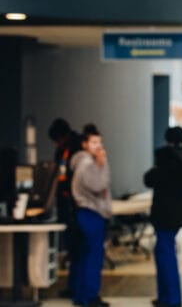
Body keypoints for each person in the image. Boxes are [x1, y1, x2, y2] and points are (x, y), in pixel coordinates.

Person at [144, 126, 182, 307]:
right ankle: (166, 297)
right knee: (164, 251)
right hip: (178, 212)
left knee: (165, 254)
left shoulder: (166, 158)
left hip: (163, 213)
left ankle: (171, 299)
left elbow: (149, 179)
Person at [70, 123, 111, 307]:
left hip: (86, 213)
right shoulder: (87, 164)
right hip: (91, 213)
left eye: (100, 142)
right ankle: (90, 297)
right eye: (94, 142)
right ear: (84, 144)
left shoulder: (81, 162)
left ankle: (81, 295)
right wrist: (102, 164)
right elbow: (98, 185)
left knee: (85, 256)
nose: (98, 146)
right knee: (94, 256)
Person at [47, 118, 82, 298]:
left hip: (74, 205)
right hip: (65, 204)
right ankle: (72, 286)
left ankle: (77, 287)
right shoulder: (61, 150)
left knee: (77, 248)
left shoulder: (76, 148)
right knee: (71, 248)